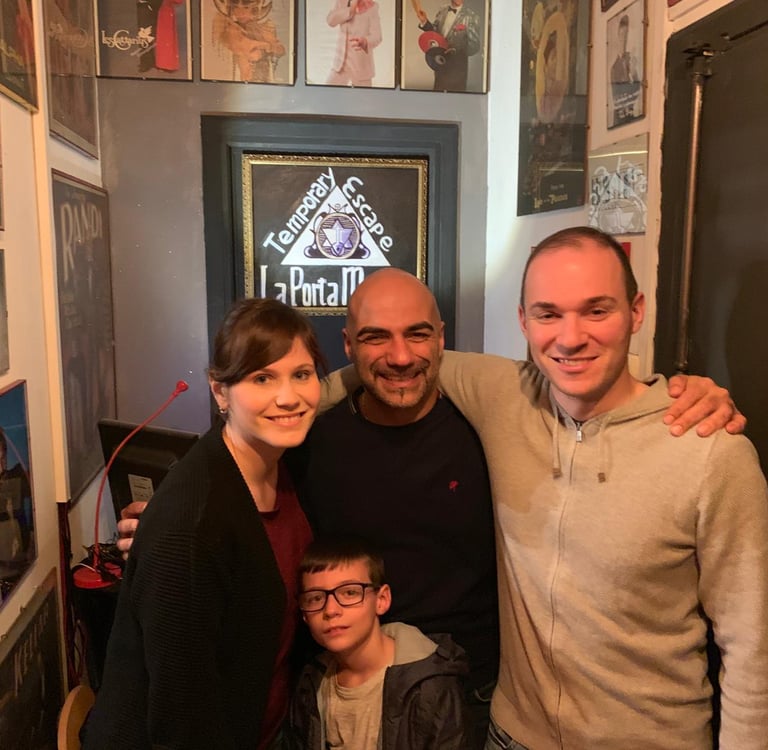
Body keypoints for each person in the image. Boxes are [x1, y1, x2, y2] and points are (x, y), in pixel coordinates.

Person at [118, 270, 743, 747]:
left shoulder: (492, 421)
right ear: (349, 346)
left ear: (443, 339)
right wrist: (175, 520)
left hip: (470, 702)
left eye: (418, 333)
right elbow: (238, 486)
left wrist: (670, 392)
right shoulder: (308, 440)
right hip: (335, 701)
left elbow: (591, 385)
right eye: (375, 337)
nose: (399, 356)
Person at [432, 227, 768, 749]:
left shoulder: (710, 451)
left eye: (596, 310)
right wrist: (297, 406)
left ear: (636, 311)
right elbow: (396, 358)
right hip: (512, 735)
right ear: (523, 321)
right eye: (548, 314)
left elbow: (752, 648)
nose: (570, 337)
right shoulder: (505, 396)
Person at [82, 298, 323, 750]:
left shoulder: (284, 461)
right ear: (220, 392)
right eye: (262, 378)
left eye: (302, 374)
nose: (289, 396)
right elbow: (182, 721)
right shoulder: (191, 527)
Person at [289, 536, 471, 749]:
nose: (330, 610)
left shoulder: (430, 687)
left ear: (381, 600)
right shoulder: (312, 683)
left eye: (349, 592)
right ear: (304, 614)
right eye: (315, 598)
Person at [415, 0, 481, 92]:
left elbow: (474, 46)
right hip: (440, 65)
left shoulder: (471, 16)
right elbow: (435, 35)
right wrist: (424, 21)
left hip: (457, 70)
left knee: (455, 99)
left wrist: (456, 49)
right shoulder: (442, 10)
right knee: (438, 97)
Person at [325, 0, 382, 87]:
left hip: (361, 67)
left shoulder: (372, 7)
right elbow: (330, 21)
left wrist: (365, 41)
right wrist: (351, 9)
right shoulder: (341, 2)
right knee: (327, 92)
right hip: (340, 66)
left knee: (364, 95)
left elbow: (377, 36)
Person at [609, 13, 641, 126]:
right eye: (622, 35)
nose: (624, 39)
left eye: (626, 35)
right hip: (620, 119)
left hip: (631, 116)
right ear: (618, 36)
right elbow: (619, 95)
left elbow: (638, 89)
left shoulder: (630, 60)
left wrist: (634, 72)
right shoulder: (614, 67)